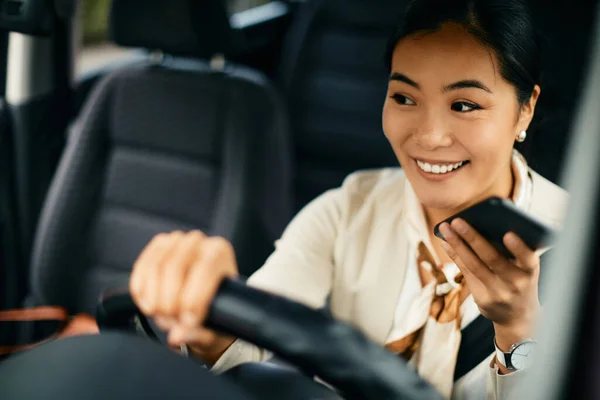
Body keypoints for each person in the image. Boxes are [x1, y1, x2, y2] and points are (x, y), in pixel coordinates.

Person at [128, 0, 569, 398]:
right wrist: (207, 317)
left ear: (525, 108)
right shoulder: (347, 209)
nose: (429, 137)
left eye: (465, 105)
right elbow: (250, 337)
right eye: (403, 97)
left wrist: (518, 330)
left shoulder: (578, 244)